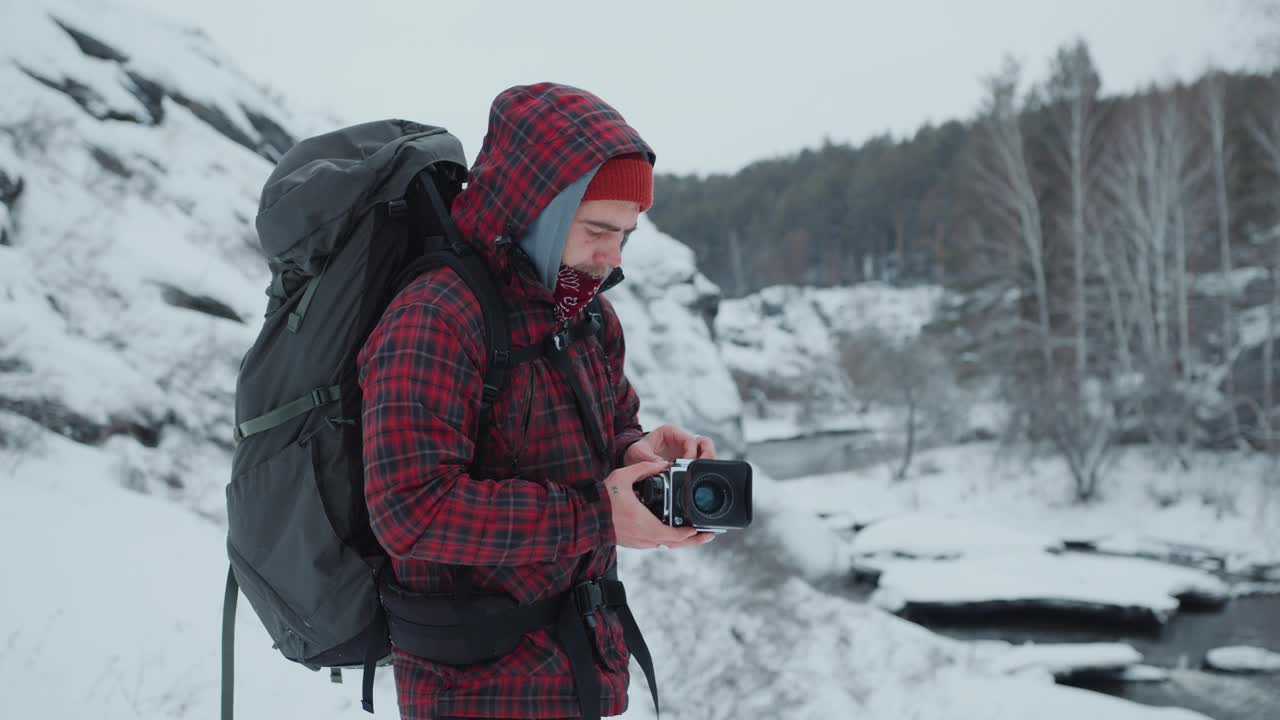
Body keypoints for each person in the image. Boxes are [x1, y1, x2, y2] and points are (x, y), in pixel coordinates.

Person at [357, 82, 717, 720]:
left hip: (580, 675)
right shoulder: (436, 317)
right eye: (597, 230)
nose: (610, 259)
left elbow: (605, 430)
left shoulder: (587, 316)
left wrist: (637, 451)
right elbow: (411, 513)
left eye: (626, 235)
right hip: (473, 694)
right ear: (537, 211)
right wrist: (599, 517)